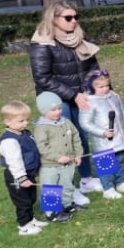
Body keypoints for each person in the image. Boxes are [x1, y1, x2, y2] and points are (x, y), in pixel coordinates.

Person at [29, 0, 102, 200]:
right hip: (57, 100)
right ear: (54, 19)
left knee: (82, 137)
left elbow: (93, 69)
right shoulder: (42, 43)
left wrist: (105, 89)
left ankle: (86, 179)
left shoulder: (78, 39)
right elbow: (42, 78)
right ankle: (69, 187)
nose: (73, 22)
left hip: (80, 96)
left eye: (75, 17)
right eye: (68, 18)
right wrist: (74, 95)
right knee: (63, 142)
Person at [81, 69, 124, 200]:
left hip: (119, 138)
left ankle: (121, 182)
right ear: (92, 86)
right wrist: (102, 132)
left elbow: (123, 114)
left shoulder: (113, 98)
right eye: (100, 87)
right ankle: (108, 188)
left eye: (107, 86)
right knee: (106, 165)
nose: (104, 89)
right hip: (103, 143)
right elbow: (85, 123)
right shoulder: (89, 102)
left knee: (120, 161)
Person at [0, 101, 49, 235]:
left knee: (31, 197)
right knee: (22, 201)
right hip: (17, 175)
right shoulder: (9, 141)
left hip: (29, 172)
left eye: (27, 120)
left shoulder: (25, 133)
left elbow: (32, 152)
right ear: (7, 122)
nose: (25, 123)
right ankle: (24, 226)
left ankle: (31, 219)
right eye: (21, 121)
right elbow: (15, 162)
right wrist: (21, 178)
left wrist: (35, 169)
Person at [33, 91, 82, 222]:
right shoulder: (41, 127)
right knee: (51, 188)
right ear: (43, 111)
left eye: (59, 108)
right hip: (50, 165)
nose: (57, 112)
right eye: (53, 110)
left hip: (68, 162)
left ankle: (68, 205)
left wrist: (78, 154)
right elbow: (42, 146)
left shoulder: (66, 122)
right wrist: (57, 157)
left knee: (67, 185)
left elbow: (76, 138)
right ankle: (51, 213)